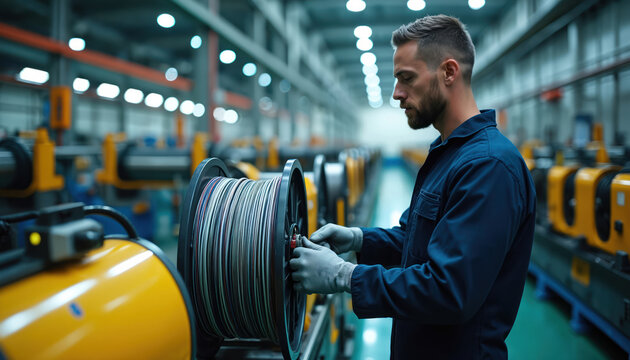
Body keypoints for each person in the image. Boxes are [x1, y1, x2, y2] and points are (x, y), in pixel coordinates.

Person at [290, 15, 536, 359]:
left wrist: (345, 276)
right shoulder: (449, 153)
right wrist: (359, 240)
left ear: (449, 72)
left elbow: (450, 291)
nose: (396, 94)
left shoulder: (488, 166)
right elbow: (415, 241)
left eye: (406, 79)